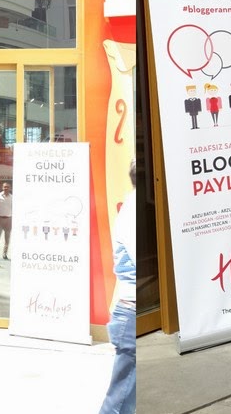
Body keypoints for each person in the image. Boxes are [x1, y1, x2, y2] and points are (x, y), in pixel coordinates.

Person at [99, 158, 136, 414]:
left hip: (129, 311)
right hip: (131, 312)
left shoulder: (131, 206)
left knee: (124, 401)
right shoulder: (133, 211)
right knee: (120, 404)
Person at [0, 181, 13, 260]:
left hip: (8, 220)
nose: (6, 188)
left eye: (7, 187)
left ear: (10, 188)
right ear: (2, 187)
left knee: (7, 238)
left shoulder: (12, 197)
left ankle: (5, 254)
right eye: (5, 187)